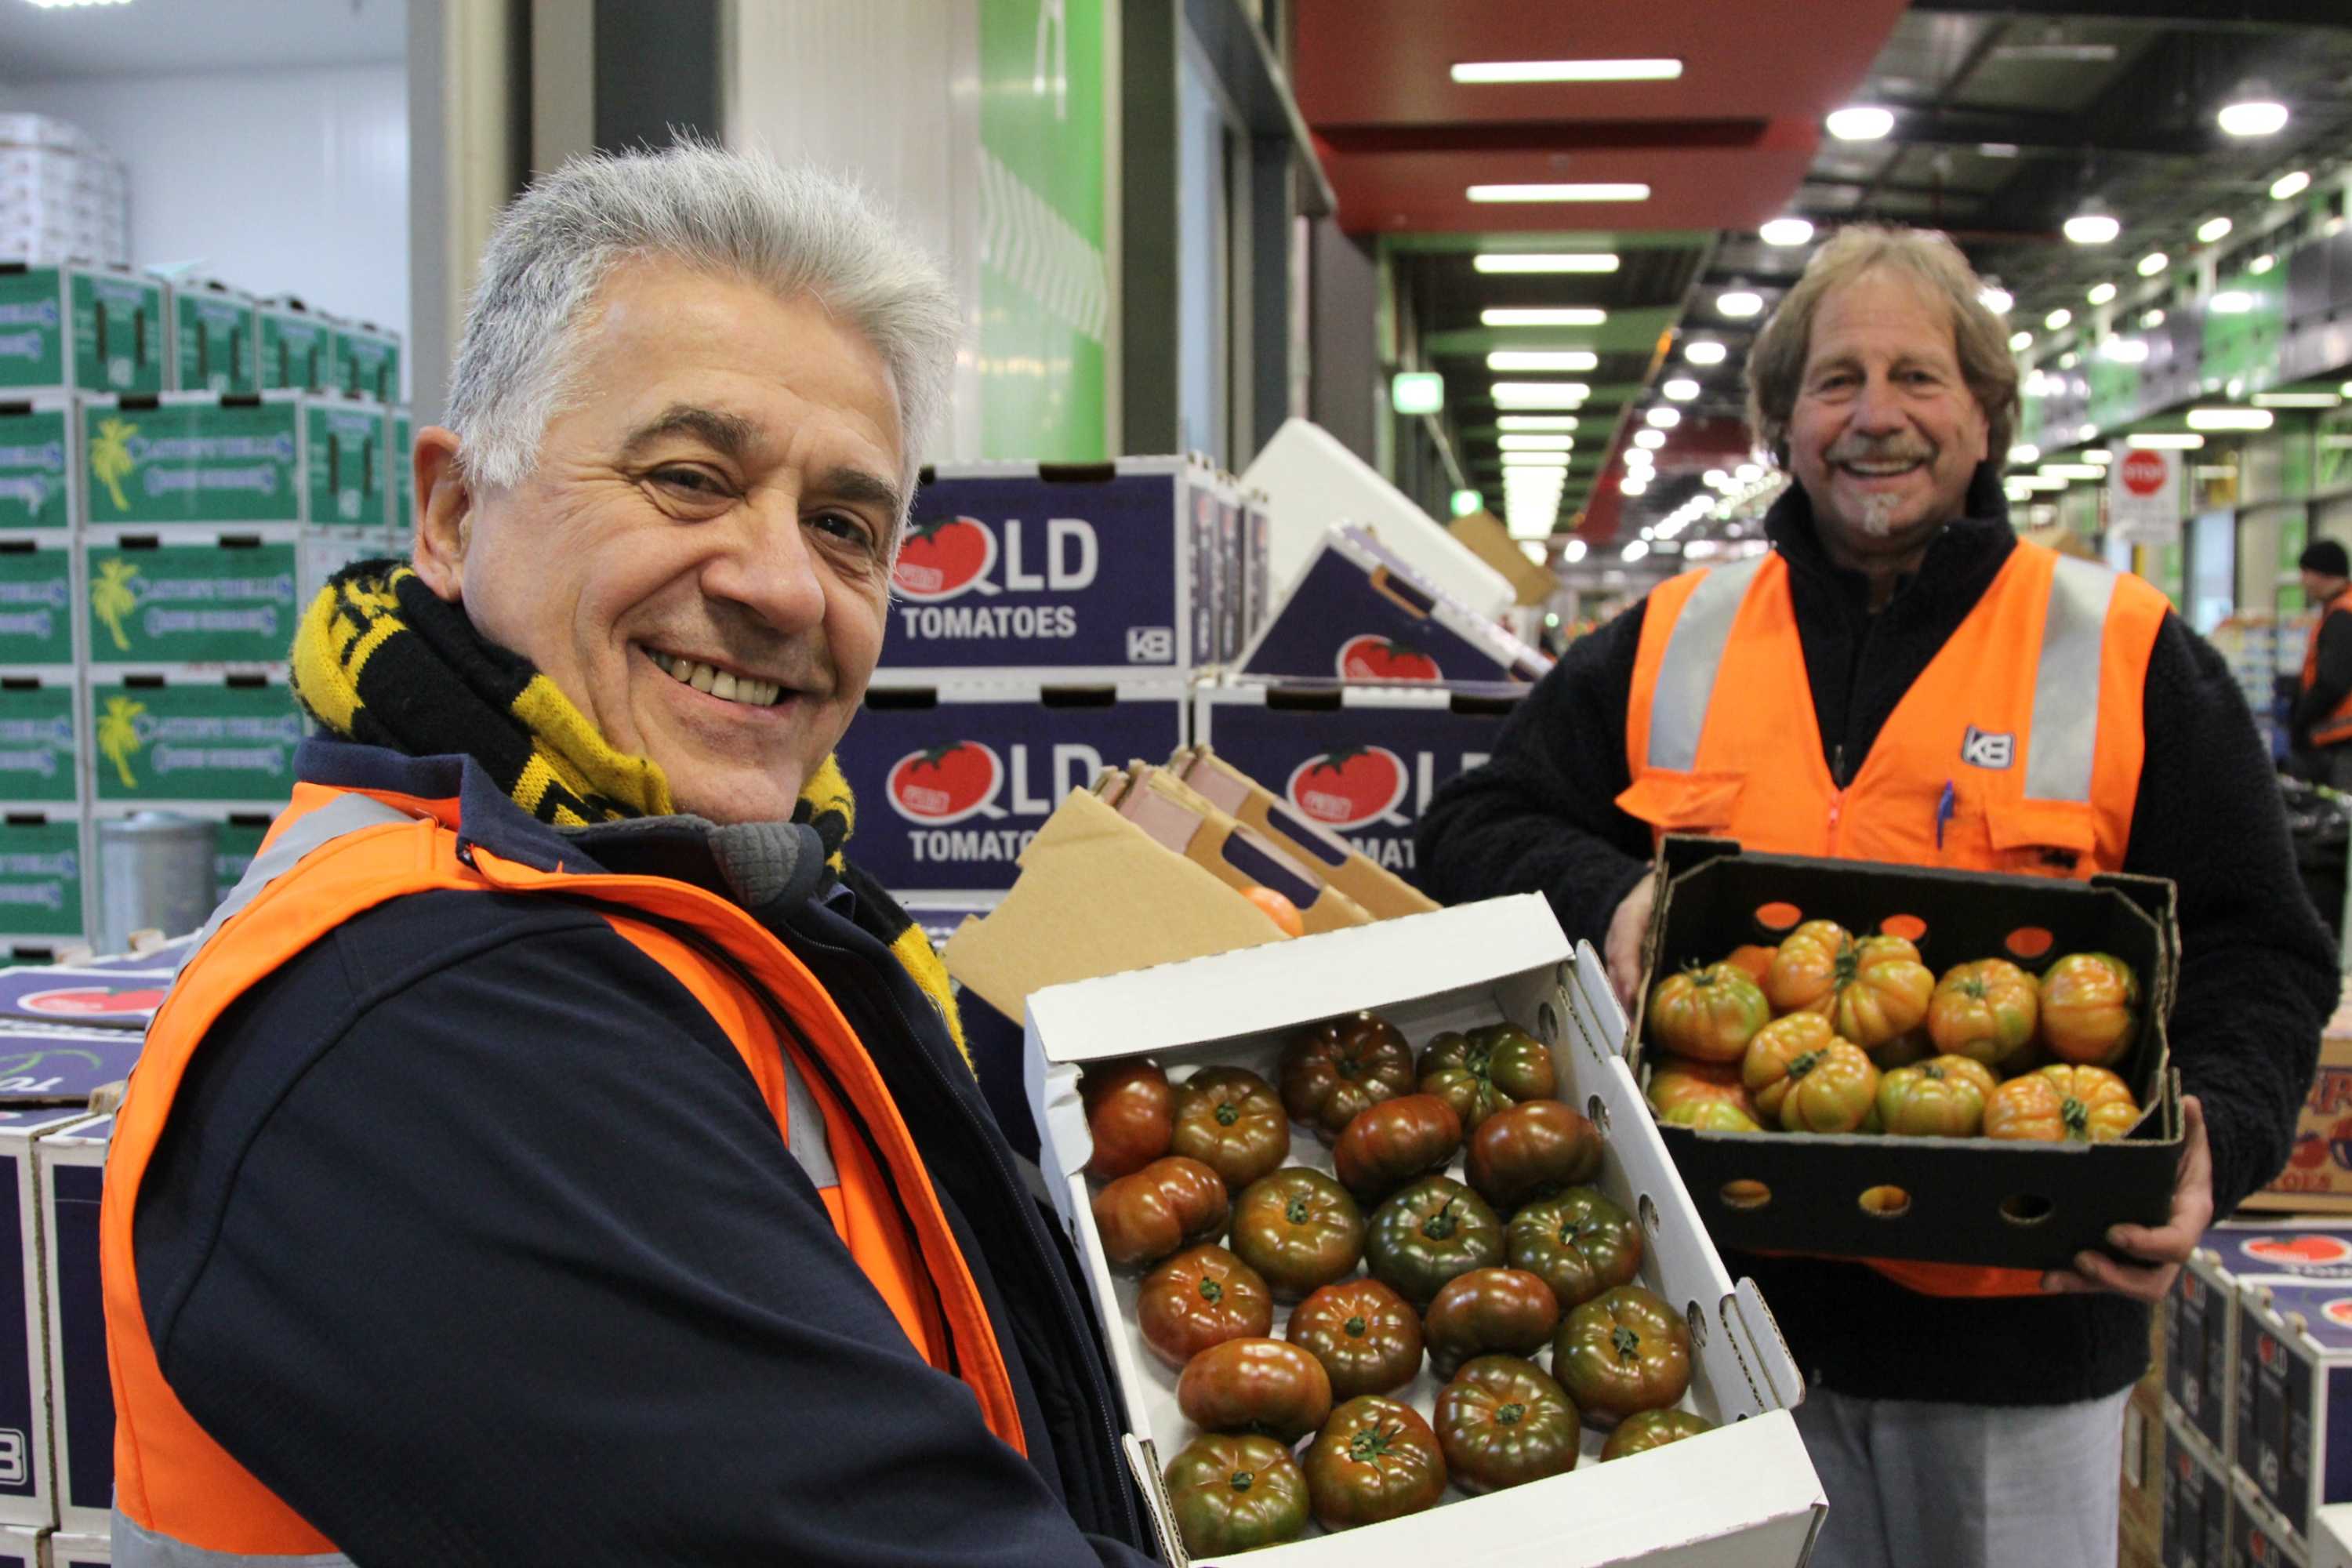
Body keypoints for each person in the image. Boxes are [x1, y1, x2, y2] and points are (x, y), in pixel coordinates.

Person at [99, 144, 1160, 1566]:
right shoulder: (432, 1023)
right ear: (456, 515)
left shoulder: (736, 901)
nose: (782, 584)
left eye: (845, 526)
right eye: (686, 478)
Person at [1417, 224, 2334, 1568]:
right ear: (1783, 424)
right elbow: (1472, 823)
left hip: (2016, 1336)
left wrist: (2221, 1140)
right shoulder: (1680, 633)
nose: (1876, 416)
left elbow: (2262, 948)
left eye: (1920, 376)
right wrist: (1611, 899)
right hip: (1712, 1332)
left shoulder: (2123, 649)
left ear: (1985, 420)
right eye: (1836, 381)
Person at [2292, 538, 2352, 786]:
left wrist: (2301, 720)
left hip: (2341, 740)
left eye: (2306, 572)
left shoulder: (2342, 617)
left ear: (2323, 573)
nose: (2302, 581)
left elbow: (2332, 682)